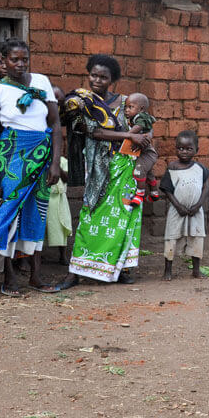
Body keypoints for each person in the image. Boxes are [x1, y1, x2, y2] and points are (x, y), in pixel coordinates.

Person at [57, 55, 150, 290]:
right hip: (97, 169)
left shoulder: (129, 102)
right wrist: (129, 135)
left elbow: (146, 126)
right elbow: (92, 132)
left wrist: (142, 138)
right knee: (90, 216)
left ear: (113, 80)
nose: (97, 80)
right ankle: (75, 271)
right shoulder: (82, 103)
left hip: (126, 169)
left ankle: (119, 269)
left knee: (125, 218)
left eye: (103, 77)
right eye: (94, 75)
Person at [0, 38, 61, 296]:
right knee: (9, 215)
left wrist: (56, 162)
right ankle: (9, 277)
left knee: (38, 214)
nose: (20, 64)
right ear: (3, 60)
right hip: (12, 157)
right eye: (15, 59)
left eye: (25, 59)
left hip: (42, 155)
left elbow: (56, 125)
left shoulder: (41, 82)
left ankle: (36, 276)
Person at [161, 130, 209, 280]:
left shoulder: (200, 169)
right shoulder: (172, 167)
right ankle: (168, 271)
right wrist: (178, 206)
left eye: (189, 149)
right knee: (171, 238)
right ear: (176, 148)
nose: (184, 152)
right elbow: (167, 190)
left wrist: (197, 206)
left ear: (197, 150)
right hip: (177, 211)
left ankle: (196, 270)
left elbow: (205, 187)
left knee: (197, 238)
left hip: (196, 211)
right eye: (180, 148)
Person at [44, 86, 73, 265]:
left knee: (60, 226)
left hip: (58, 197)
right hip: (44, 195)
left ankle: (62, 255)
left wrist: (56, 164)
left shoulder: (63, 161)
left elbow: (68, 177)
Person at [122, 92, 160, 207]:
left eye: (131, 107)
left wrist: (127, 135)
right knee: (148, 173)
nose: (127, 110)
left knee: (138, 172)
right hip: (144, 154)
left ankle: (140, 195)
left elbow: (139, 127)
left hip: (147, 154)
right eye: (126, 107)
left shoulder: (140, 118)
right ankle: (154, 193)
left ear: (141, 109)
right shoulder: (136, 117)